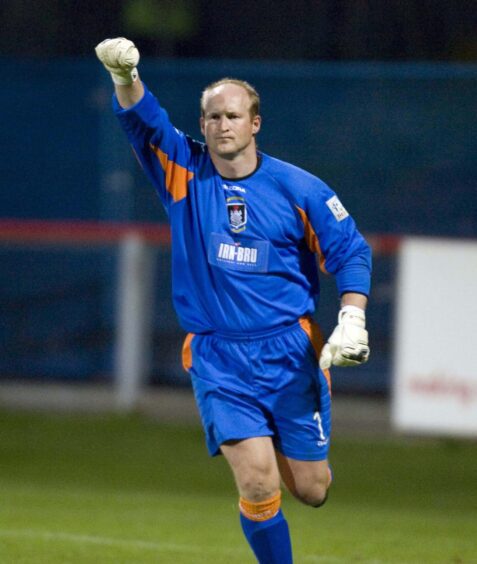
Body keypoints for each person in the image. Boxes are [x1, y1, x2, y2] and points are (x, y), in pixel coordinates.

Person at [95, 37, 371, 564]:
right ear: (202, 126)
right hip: (219, 356)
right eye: (213, 116)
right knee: (258, 480)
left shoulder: (300, 189)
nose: (223, 124)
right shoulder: (183, 172)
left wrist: (352, 317)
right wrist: (124, 78)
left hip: (292, 353)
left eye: (234, 115)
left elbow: (350, 250)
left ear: (255, 123)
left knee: (311, 490)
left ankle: (307, 461)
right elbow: (144, 121)